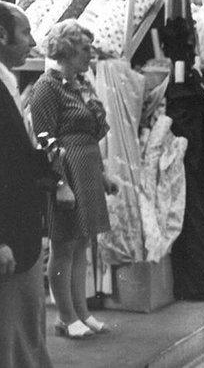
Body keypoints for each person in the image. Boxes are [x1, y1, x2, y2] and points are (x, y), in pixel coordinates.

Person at [29, 19, 120, 339]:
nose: (89, 57)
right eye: (84, 50)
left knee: (81, 244)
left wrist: (103, 174)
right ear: (66, 51)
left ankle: (81, 312)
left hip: (87, 169)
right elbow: (44, 139)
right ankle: (66, 316)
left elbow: (91, 134)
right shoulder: (45, 87)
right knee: (63, 246)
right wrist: (60, 184)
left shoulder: (79, 84)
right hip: (65, 172)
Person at [0, 2, 59, 367]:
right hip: (10, 242)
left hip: (22, 235)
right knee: (14, 337)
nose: (33, 42)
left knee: (26, 331)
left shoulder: (8, 81)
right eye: (25, 32)